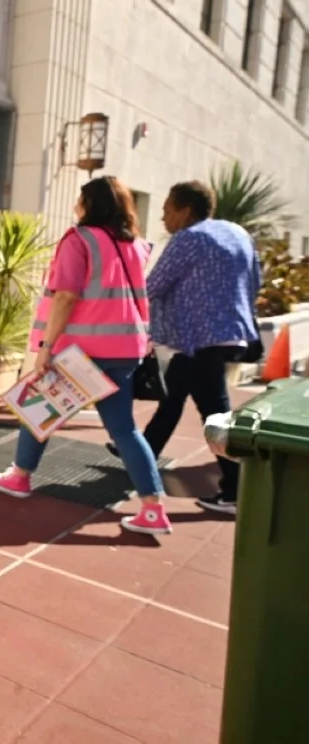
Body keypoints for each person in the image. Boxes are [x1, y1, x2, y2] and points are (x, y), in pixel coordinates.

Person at [0, 176, 171, 535]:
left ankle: (19, 478)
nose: (75, 205)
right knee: (125, 429)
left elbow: (66, 296)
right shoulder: (134, 245)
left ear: (90, 204)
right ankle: (153, 508)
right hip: (125, 348)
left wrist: (46, 348)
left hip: (80, 351)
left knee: (38, 411)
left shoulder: (79, 239)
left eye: (79, 199)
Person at [106, 181, 260, 516]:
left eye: (166, 210)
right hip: (227, 334)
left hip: (196, 339)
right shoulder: (238, 234)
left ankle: (236, 490)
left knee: (217, 416)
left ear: (185, 210)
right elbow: (254, 281)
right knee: (171, 397)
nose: (163, 218)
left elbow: (154, 285)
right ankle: (141, 452)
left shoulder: (189, 238)